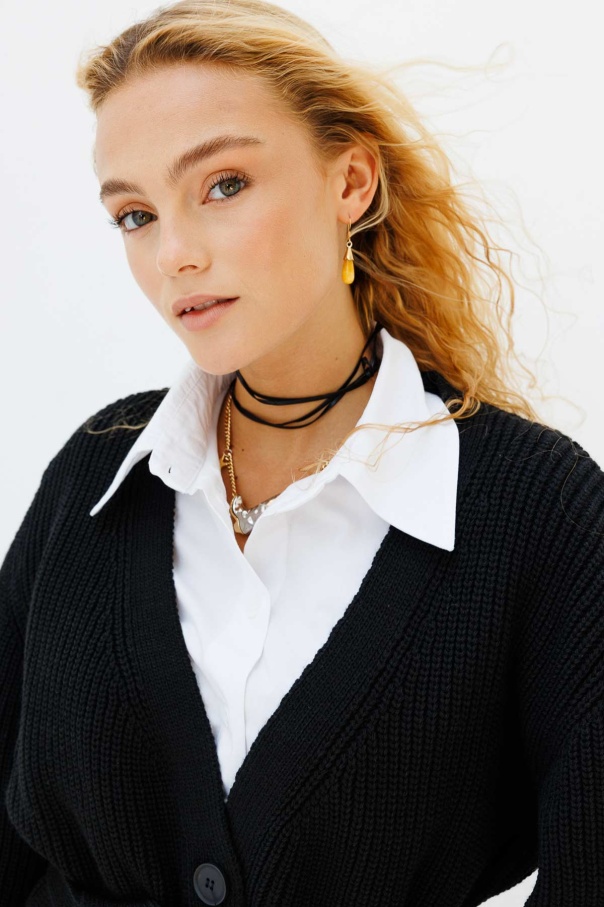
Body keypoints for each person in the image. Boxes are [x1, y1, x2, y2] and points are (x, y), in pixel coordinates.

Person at [1, 0, 602, 904]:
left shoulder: (536, 508)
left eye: (224, 185)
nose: (173, 254)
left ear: (350, 182)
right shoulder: (97, 475)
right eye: (135, 214)